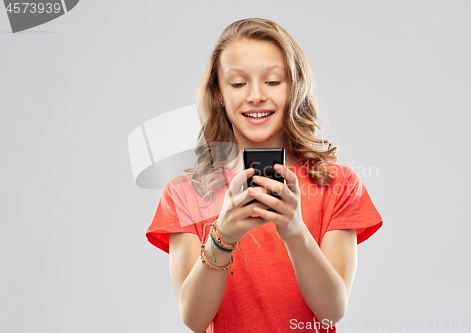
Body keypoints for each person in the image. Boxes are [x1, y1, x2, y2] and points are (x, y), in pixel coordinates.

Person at [146, 18, 383, 333]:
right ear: (218, 92)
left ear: (293, 86)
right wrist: (223, 237)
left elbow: (331, 311)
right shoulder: (185, 192)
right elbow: (194, 317)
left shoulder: (337, 184)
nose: (255, 96)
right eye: (238, 83)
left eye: (272, 81)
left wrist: (296, 232)